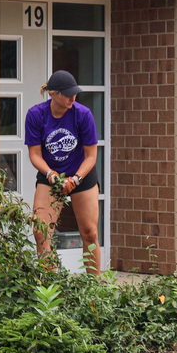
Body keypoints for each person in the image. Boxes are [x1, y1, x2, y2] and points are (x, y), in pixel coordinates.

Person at [24, 70, 101, 274]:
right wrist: (50, 174)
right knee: (41, 232)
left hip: (81, 175)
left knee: (90, 233)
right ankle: (51, 284)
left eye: (74, 93)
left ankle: (95, 288)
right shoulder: (35, 115)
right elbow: (35, 155)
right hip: (51, 176)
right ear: (53, 94)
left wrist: (75, 179)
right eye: (67, 94)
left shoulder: (83, 114)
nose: (72, 98)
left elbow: (91, 156)